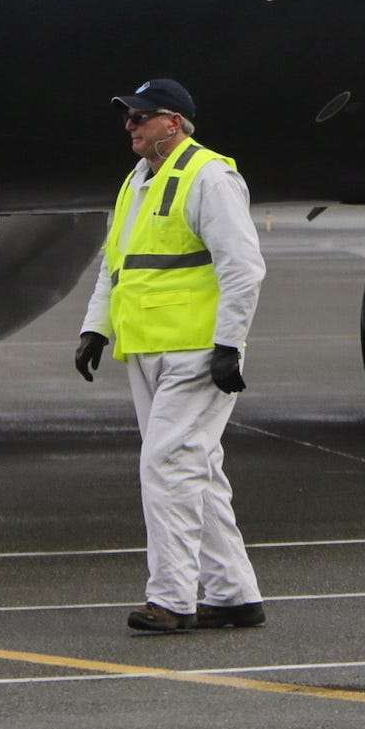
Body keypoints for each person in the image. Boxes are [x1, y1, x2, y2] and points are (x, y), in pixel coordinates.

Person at [73, 77, 267, 633]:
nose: (129, 126)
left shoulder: (209, 177)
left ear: (173, 124)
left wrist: (230, 345)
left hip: (195, 353)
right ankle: (233, 594)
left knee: (167, 468)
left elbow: (243, 267)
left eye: (140, 117)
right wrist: (95, 329)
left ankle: (172, 599)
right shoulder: (137, 181)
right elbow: (120, 264)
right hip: (146, 350)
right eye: (128, 118)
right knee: (194, 468)